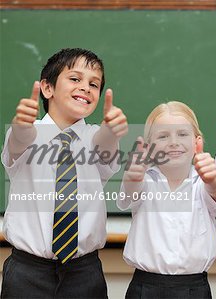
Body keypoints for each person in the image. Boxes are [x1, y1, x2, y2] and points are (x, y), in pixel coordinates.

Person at [1, 48, 128, 298]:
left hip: (84, 272)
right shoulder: (28, 133)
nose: (85, 88)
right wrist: (21, 125)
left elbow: (104, 145)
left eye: (94, 84)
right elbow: (19, 140)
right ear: (48, 89)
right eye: (75, 79)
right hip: (28, 271)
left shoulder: (95, 137)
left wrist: (112, 132)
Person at [118, 101, 216, 299]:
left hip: (194, 288)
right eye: (163, 136)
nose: (173, 142)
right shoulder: (144, 181)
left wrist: (214, 178)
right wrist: (133, 175)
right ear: (150, 147)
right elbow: (130, 190)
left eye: (183, 134)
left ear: (197, 142)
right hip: (145, 287)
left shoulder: (203, 183)